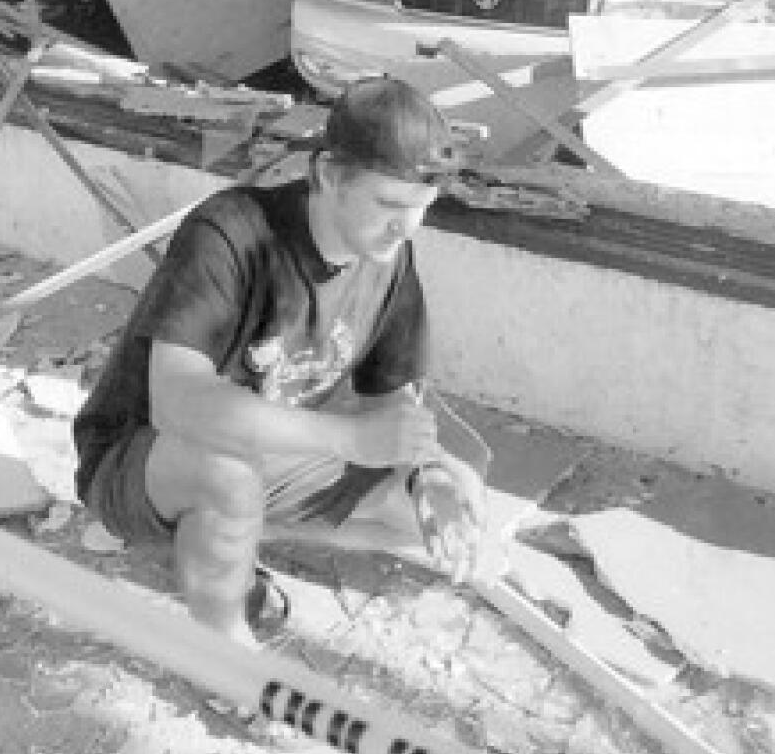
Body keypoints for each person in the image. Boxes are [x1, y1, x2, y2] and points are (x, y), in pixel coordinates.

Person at [73, 76, 486, 643]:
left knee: (452, 504)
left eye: (421, 208)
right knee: (227, 478)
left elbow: (392, 399)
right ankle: (223, 650)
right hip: (143, 462)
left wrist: (428, 474)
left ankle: (230, 537)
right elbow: (176, 403)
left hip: (277, 456)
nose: (404, 226)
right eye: (388, 203)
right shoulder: (231, 231)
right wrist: (348, 440)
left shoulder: (390, 256)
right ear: (327, 176)